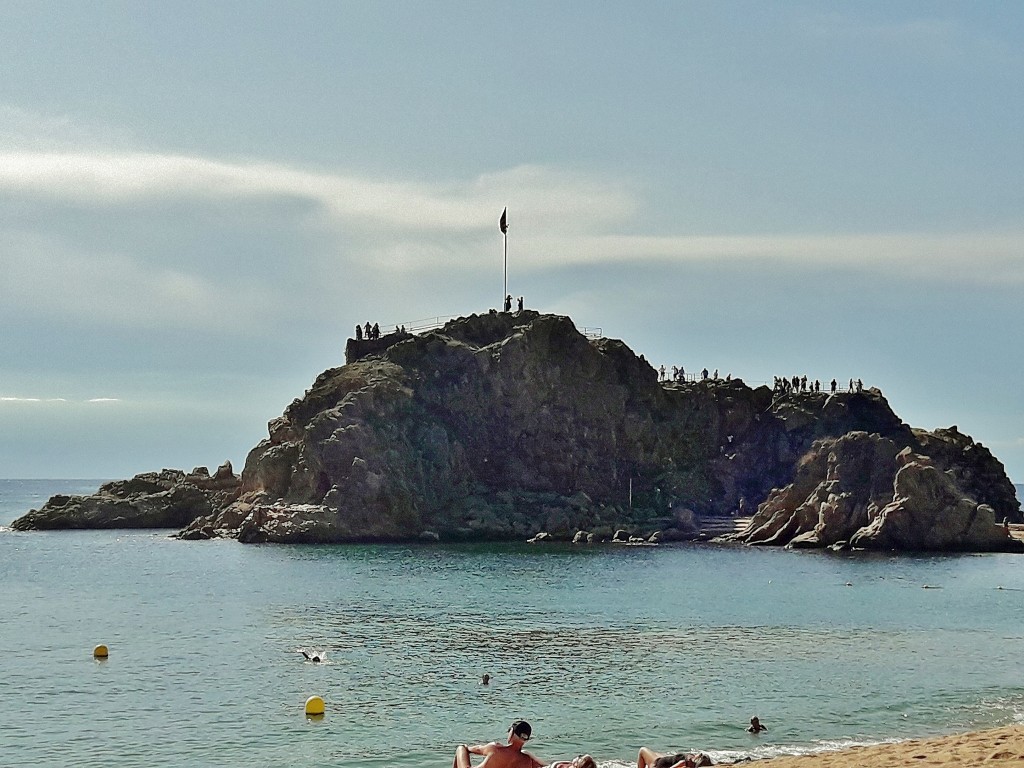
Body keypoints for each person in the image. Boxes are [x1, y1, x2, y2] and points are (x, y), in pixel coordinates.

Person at [455, 720, 545, 768]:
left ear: (511, 732)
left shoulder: (495, 748)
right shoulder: (527, 761)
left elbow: (473, 749)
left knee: (461, 747)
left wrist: (466, 748)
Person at [637, 747, 713, 768]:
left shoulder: (684, 762)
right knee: (656, 753)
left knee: (642, 750)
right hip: (666, 761)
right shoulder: (692, 760)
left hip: (658, 764)